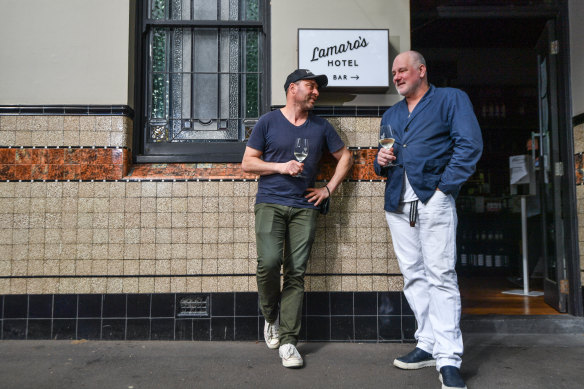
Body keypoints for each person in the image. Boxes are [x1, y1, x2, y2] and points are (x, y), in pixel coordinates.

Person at [374, 51, 482, 389]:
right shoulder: (391, 113)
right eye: (394, 72)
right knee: (413, 277)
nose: (397, 77)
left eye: (402, 70)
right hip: (397, 204)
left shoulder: (451, 99)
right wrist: (380, 159)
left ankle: (449, 358)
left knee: (441, 276)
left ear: (421, 71)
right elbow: (382, 164)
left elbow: (469, 146)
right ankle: (429, 343)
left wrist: (443, 189)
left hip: (432, 201)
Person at [242, 69, 353, 368]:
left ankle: (289, 342)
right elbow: (247, 163)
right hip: (270, 203)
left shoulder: (321, 127)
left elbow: (346, 157)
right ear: (293, 88)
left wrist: (328, 189)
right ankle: (270, 317)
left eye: (317, 88)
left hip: (305, 207)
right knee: (267, 263)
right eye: (311, 86)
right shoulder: (268, 122)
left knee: (295, 273)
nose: (316, 92)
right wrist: (281, 167)